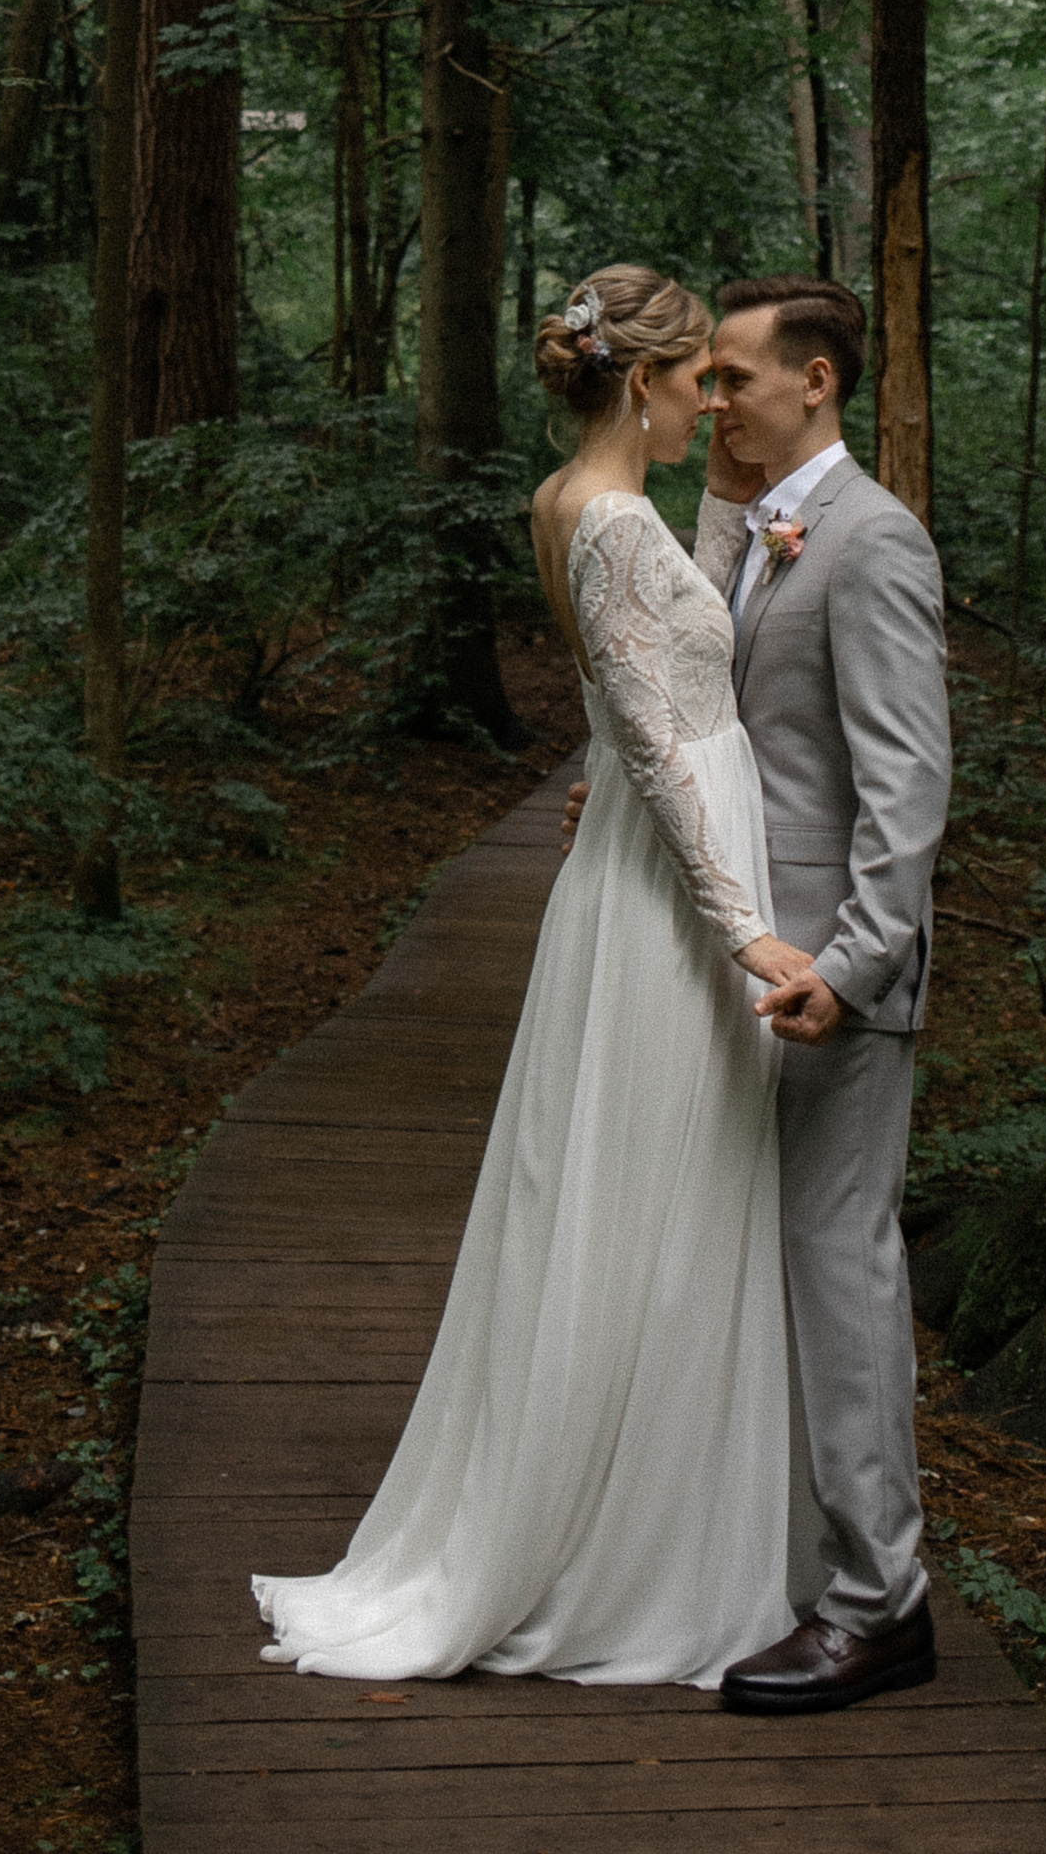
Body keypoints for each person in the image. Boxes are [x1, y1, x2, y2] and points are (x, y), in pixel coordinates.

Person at [251, 264, 827, 1688]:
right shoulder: (614, 524)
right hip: (674, 886)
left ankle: (624, 1503)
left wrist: (759, 543)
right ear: (643, 384)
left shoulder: (576, 505)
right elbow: (645, 729)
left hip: (635, 853)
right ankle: (627, 1546)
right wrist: (742, 924)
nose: (714, 399)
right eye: (697, 378)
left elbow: (645, 661)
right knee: (660, 1192)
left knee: (629, 1190)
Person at [689, 271, 953, 1715]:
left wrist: (850, 972)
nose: (715, 399)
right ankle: (783, 1561)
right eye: (712, 381)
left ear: (819, 383)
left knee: (843, 1277)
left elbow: (905, 792)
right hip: (757, 971)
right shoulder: (757, 532)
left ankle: (880, 1606)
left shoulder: (875, 541)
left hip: (836, 984)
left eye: (734, 377)